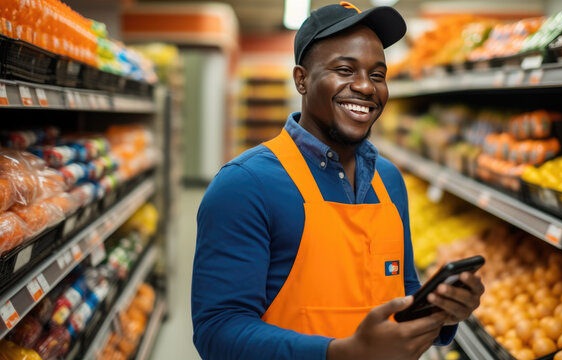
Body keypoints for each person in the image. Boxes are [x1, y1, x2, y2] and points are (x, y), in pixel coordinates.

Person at [192, 2, 485, 359]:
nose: (365, 87)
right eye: (345, 69)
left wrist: (443, 311)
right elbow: (218, 331)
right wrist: (342, 353)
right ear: (301, 78)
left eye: (378, 75)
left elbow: (402, 291)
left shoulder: (389, 180)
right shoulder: (245, 185)